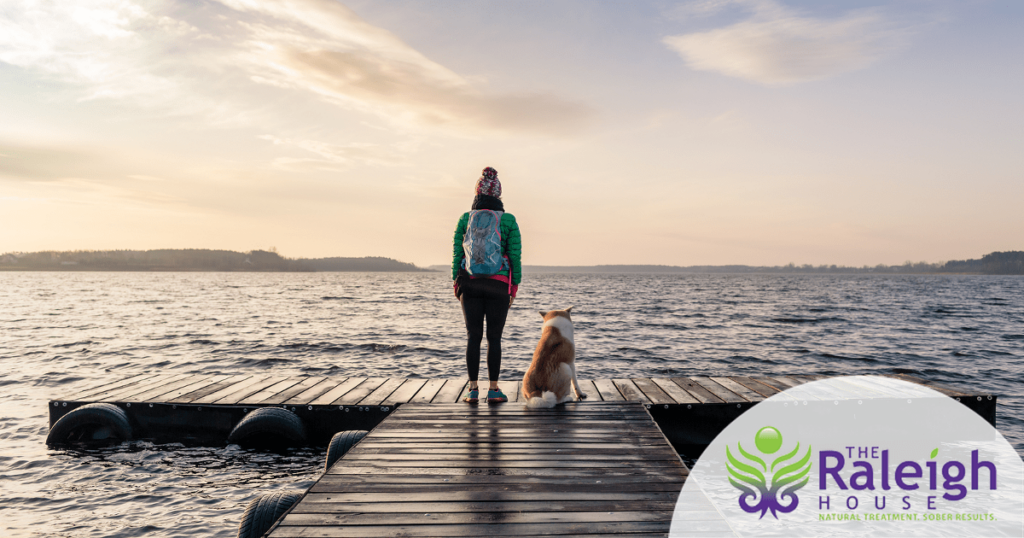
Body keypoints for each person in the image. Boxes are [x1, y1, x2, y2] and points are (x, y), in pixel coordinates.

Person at [452, 166, 522, 404]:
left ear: (477, 193)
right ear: (498, 195)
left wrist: (456, 282)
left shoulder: (465, 219)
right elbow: (515, 256)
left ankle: (472, 390)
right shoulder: (509, 220)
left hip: (470, 284)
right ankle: (493, 390)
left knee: (473, 336)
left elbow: (456, 253)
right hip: (499, 285)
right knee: (494, 338)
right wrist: (514, 287)